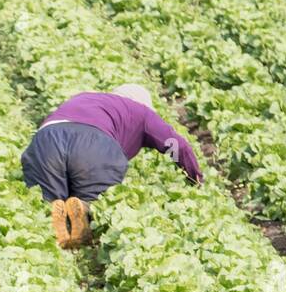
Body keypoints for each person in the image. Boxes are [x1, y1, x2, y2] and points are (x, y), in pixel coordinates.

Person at [21, 84, 202, 249]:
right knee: (95, 192)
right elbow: (176, 145)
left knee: (52, 196)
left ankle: (58, 211)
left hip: (45, 139)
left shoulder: (84, 96)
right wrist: (195, 178)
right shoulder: (142, 112)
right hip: (93, 141)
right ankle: (84, 214)